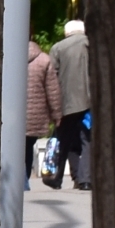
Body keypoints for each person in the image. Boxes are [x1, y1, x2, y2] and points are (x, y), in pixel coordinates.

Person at [45, 19, 91, 189]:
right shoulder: (91, 45)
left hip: (67, 102)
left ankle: (58, 178)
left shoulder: (58, 48)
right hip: (90, 102)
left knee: (65, 140)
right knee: (87, 140)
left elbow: (51, 77)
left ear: (67, 32)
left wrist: (52, 106)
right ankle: (85, 180)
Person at [24, 37, 61, 185]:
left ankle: (18, 182)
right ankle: (24, 180)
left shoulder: (7, 56)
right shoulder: (44, 60)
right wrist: (56, 114)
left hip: (11, 115)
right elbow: (53, 91)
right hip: (35, 115)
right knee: (28, 147)